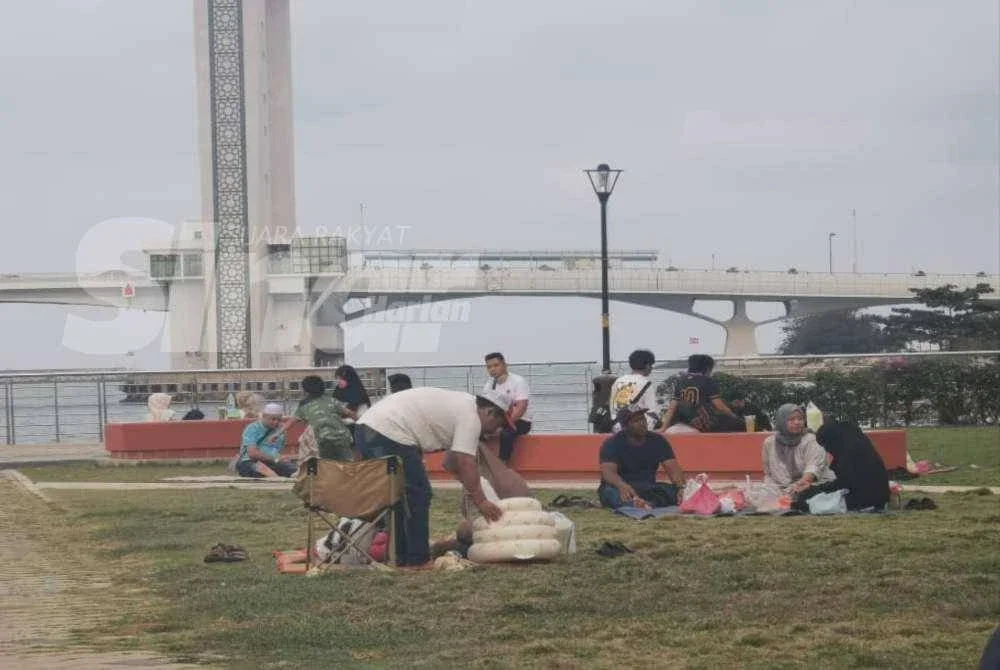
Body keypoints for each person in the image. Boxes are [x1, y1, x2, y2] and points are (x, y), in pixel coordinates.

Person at [354, 387, 509, 567]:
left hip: (369, 428)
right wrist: (481, 501)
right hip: (388, 430)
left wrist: (468, 483)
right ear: (490, 412)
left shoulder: (461, 405)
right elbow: (465, 461)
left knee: (400, 497)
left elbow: (452, 462)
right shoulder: (471, 417)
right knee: (418, 494)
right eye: (499, 424)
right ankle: (417, 560)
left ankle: (402, 556)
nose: (496, 431)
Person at [598, 404, 686, 509]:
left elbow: (674, 470)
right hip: (621, 486)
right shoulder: (612, 443)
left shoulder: (658, 441)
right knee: (610, 493)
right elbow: (608, 472)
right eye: (636, 421)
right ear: (625, 426)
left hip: (648, 488)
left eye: (643, 418)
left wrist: (681, 488)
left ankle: (647, 504)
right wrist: (621, 485)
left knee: (673, 491)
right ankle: (636, 504)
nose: (642, 423)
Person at [811, 421, 891, 511]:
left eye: (825, 445)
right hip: (879, 496)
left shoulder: (850, 452)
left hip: (866, 499)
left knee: (811, 503)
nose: (826, 449)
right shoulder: (854, 440)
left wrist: (815, 490)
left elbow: (845, 482)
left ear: (831, 441)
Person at [273, 375, 356, 461]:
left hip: (323, 440)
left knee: (327, 466)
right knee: (347, 466)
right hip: (343, 438)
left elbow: (290, 422)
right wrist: (362, 422)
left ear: (305, 390)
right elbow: (350, 413)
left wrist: (276, 434)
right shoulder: (332, 400)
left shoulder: (304, 406)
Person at [761, 404, 835, 496]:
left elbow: (813, 469)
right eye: (791, 419)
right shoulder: (769, 443)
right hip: (783, 489)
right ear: (781, 421)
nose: (797, 422)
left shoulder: (811, 440)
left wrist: (795, 487)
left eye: (800, 419)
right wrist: (770, 491)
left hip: (812, 486)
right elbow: (769, 474)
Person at [660, 355, 742, 433]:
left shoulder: (680, 381)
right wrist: (734, 416)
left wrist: (663, 428)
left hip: (683, 420)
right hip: (703, 423)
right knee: (737, 423)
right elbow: (719, 406)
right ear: (707, 368)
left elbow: (672, 407)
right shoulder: (707, 381)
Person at [483, 352, 533, 463]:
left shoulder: (518, 381)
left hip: (521, 420)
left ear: (505, 365)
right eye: (489, 367)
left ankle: (502, 463)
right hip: (498, 420)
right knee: (475, 431)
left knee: (506, 433)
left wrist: (503, 424)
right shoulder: (489, 385)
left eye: (496, 365)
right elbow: (486, 408)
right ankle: (480, 463)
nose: (492, 369)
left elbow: (521, 407)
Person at [236, 403, 297, 478]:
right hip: (250, 461)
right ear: (264, 416)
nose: (276, 422)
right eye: (273, 419)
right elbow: (252, 453)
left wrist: (281, 459)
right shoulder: (253, 428)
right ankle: (274, 476)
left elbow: (277, 451)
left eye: (279, 420)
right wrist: (275, 459)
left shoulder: (280, 431)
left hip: (273, 462)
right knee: (254, 468)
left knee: (292, 469)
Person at [608, 349, 661, 432]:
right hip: (637, 428)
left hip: (616, 426)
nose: (651, 368)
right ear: (647, 365)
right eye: (651, 365)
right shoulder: (646, 383)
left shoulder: (618, 381)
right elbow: (651, 412)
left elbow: (612, 407)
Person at [332, 364, 372, 439]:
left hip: (355, 429)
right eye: (336, 378)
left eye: (340, 378)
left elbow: (359, 417)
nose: (338, 381)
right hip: (340, 428)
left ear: (349, 378)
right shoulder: (337, 391)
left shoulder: (358, 393)